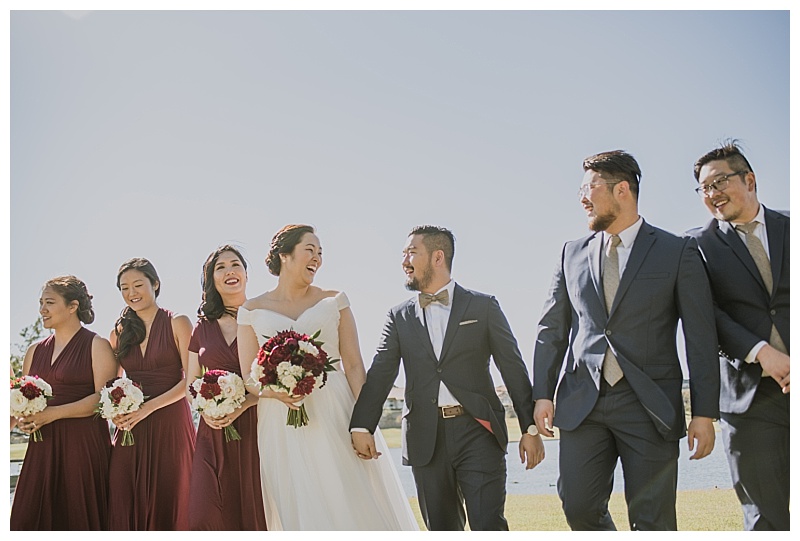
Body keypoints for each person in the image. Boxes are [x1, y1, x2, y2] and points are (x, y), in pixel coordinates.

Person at [532, 150, 720, 530]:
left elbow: (699, 335)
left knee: (653, 520)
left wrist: (704, 412)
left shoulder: (677, 251)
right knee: (579, 507)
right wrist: (542, 393)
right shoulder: (572, 253)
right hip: (583, 404)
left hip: (649, 405)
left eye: (590, 187)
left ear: (622, 190)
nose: (582, 197)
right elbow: (552, 329)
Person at [351, 225, 544, 531]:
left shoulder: (484, 306)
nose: (404, 261)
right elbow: (381, 374)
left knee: (489, 524)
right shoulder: (398, 317)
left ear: (438, 257)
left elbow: (513, 367)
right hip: (426, 437)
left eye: (411, 252)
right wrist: (362, 425)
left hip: (478, 431)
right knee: (441, 528)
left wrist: (529, 428)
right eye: (403, 253)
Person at [237, 224, 418, 531]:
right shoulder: (251, 309)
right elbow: (248, 377)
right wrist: (276, 392)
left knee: (349, 492)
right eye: (310, 250)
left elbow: (355, 366)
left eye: (320, 253)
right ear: (284, 256)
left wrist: (366, 423)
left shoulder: (335, 300)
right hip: (280, 419)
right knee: (299, 499)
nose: (317, 259)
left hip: (336, 408)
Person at [689, 141, 789, 531]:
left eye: (720, 182)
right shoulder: (696, 247)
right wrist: (763, 352)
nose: (712, 194)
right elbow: (705, 315)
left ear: (749, 179)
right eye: (704, 189)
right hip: (750, 401)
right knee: (766, 519)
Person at [10, 276, 118, 530]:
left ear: (73, 306)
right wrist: (22, 418)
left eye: (49, 302)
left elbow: (103, 399)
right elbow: (24, 399)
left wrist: (52, 414)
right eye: (40, 303)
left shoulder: (97, 345)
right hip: (43, 446)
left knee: (79, 516)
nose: (42, 310)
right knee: (28, 518)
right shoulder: (34, 351)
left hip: (83, 447)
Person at [107, 258, 196, 530]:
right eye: (124, 288)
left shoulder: (178, 322)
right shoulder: (118, 333)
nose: (131, 293)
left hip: (170, 423)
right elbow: (112, 385)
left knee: (172, 494)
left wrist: (148, 408)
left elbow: (190, 382)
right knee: (123, 493)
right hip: (131, 428)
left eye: (138, 285)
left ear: (155, 284)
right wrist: (117, 411)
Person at [186, 245, 267, 530]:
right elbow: (191, 383)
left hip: (257, 426)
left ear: (245, 273)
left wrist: (243, 404)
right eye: (220, 267)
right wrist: (205, 410)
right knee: (203, 512)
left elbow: (273, 382)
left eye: (236, 264)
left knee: (253, 509)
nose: (229, 271)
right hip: (213, 430)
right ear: (212, 279)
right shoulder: (201, 328)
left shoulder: (262, 316)